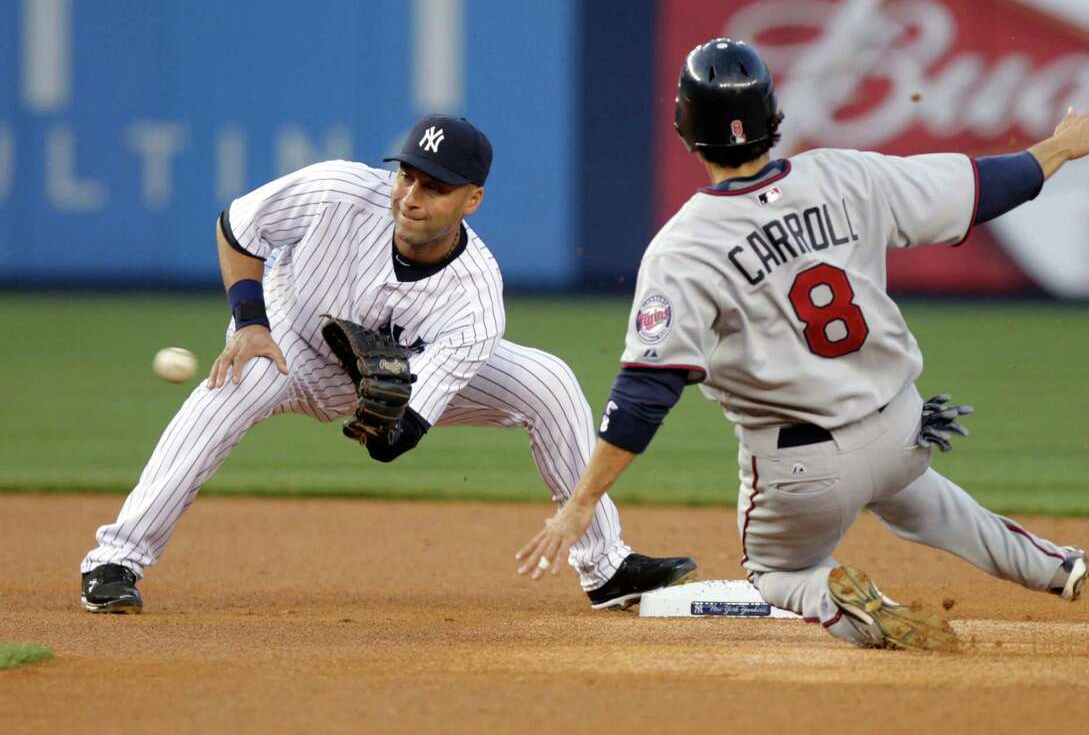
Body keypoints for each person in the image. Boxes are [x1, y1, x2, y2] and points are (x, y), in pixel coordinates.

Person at [517, 39, 1089, 650]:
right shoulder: (846, 174)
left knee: (776, 573)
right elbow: (983, 188)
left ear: (685, 126)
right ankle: (1054, 566)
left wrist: (581, 504)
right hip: (901, 429)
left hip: (800, 471)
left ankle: (837, 597)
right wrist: (1059, 147)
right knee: (918, 498)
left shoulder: (684, 248)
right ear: (771, 116)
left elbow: (646, 392)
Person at [80, 115, 695, 614]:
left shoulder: (475, 297)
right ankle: (116, 559)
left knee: (547, 382)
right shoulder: (338, 190)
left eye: (434, 186)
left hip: (401, 378)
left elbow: (396, 441)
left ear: (472, 199)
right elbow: (239, 227)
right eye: (407, 175)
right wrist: (249, 325)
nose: (411, 195)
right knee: (227, 391)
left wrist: (384, 422)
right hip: (287, 344)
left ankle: (606, 566)